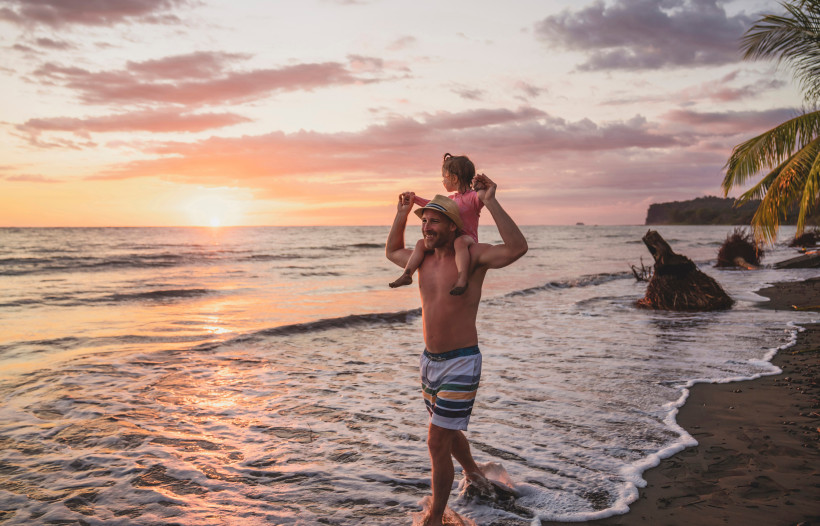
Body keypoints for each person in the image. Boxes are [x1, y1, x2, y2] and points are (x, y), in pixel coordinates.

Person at [385, 173, 528, 526]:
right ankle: (476, 476)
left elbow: (517, 248)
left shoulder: (472, 257)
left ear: (452, 225)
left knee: (436, 441)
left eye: (434, 221)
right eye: (424, 221)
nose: (427, 227)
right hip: (429, 363)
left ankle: (435, 518)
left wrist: (490, 201)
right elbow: (391, 251)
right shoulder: (421, 259)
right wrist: (402, 213)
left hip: (461, 362)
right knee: (446, 432)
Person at [388, 153, 484, 295]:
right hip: (449, 239)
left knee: (460, 242)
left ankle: (462, 279)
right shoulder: (451, 199)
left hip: (468, 239)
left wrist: (481, 188)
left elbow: (483, 197)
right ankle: (407, 274)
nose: (443, 181)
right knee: (421, 243)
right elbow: (432, 205)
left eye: (444, 177)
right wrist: (414, 199)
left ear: (454, 178)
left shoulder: (473, 197)